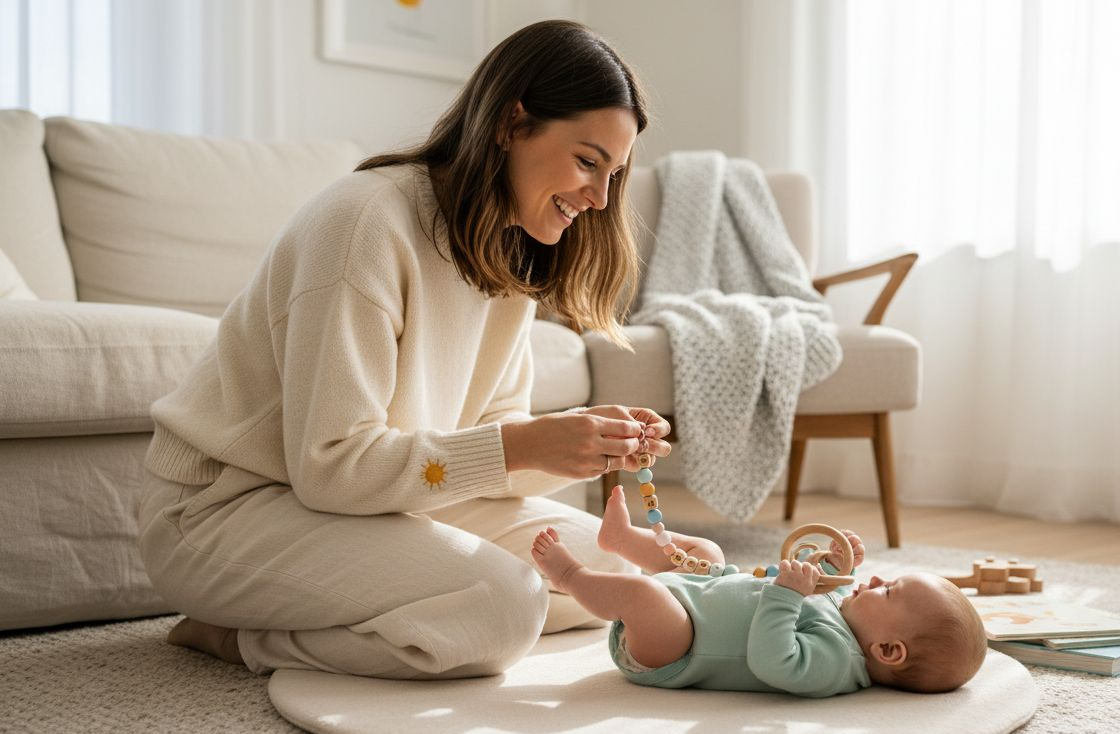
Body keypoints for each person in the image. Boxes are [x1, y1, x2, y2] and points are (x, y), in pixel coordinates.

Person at [135, 20, 670, 680]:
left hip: (376, 501)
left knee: (616, 570)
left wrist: (579, 442)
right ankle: (240, 638)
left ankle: (398, 611)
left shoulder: (507, 249)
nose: (600, 198)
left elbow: (484, 447)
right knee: (503, 607)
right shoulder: (365, 224)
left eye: (614, 174)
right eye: (588, 162)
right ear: (512, 123)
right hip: (226, 510)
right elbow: (332, 467)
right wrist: (521, 446)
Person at [531, 487, 988, 696]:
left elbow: (774, 661)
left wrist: (787, 595)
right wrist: (834, 562)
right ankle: (622, 540)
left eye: (887, 592)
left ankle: (569, 577)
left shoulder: (837, 663)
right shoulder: (848, 612)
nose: (873, 582)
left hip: (673, 648)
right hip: (702, 590)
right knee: (705, 552)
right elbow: (814, 586)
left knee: (643, 596)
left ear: (887, 650)